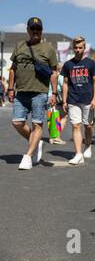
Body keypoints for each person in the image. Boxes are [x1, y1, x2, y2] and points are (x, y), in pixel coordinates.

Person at [8, 17, 58, 170]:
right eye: (32, 29)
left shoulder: (48, 48)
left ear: (41, 31)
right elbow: (13, 69)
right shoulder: (19, 46)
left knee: (37, 124)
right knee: (17, 122)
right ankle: (36, 142)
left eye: (38, 29)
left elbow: (54, 72)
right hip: (20, 92)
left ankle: (28, 156)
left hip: (39, 92)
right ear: (28, 30)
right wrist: (10, 88)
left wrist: (54, 93)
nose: (35, 31)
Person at [61, 36, 95, 165]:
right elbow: (65, 83)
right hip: (73, 99)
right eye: (76, 47)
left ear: (84, 48)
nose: (78, 50)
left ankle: (88, 146)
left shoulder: (91, 63)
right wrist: (65, 101)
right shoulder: (68, 65)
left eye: (80, 47)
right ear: (73, 48)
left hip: (88, 99)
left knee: (88, 125)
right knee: (75, 125)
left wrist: (94, 98)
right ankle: (78, 154)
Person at [48, 64, 68, 145]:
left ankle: (52, 137)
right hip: (57, 99)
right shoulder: (60, 77)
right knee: (63, 117)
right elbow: (62, 87)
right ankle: (57, 137)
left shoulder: (50, 76)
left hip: (48, 97)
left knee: (51, 117)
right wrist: (64, 101)